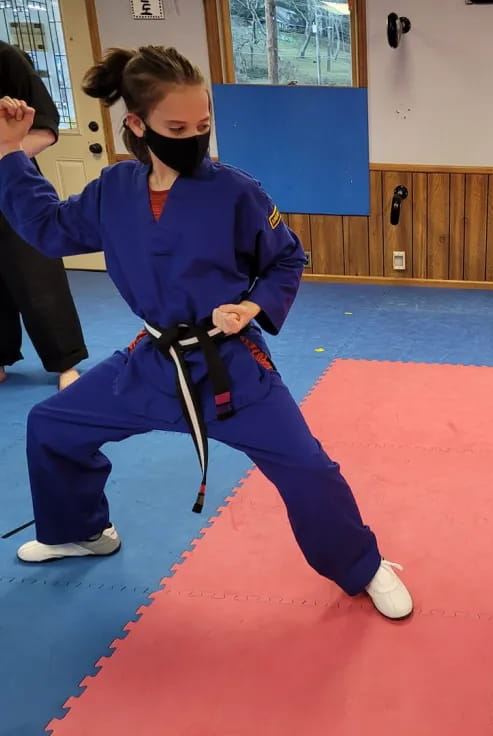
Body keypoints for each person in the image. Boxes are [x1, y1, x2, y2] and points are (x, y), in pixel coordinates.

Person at [0, 45, 412, 621]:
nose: (193, 137)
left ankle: (361, 565)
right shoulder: (115, 189)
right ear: (137, 126)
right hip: (153, 362)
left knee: (308, 467)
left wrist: (250, 308)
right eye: (176, 127)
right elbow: (46, 229)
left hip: (232, 368)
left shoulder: (236, 190)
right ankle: (83, 531)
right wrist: (10, 153)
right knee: (52, 425)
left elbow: (286, 260)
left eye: (203, 126)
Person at [0, 40, 86, 390]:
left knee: (35, 270)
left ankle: (65, 361)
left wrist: (5, 154)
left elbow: (46, 127)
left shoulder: (6, 59)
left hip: (11, 182)